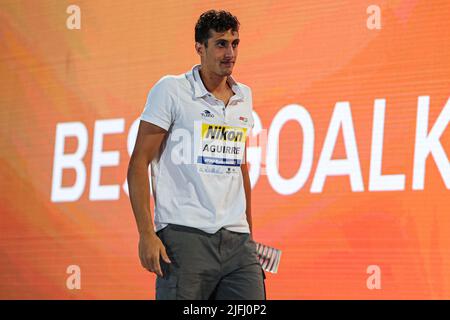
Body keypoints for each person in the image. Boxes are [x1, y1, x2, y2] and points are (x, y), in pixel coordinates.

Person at [127, 9, 266, 300]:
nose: (230, 52)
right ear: (199, 48)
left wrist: (248, 234)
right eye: (220, 44)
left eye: (235, 43)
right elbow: (139, 163)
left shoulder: (244, 97)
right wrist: (146, 234)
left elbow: (239, 168)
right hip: (184, 238)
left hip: (236, 242)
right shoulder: (171, 90)